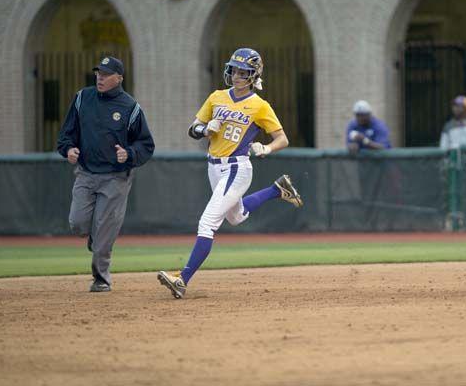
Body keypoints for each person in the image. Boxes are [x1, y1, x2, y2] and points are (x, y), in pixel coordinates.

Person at [157, 48, 303, 299]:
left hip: (237, 167)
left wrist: (266, 147)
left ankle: (182, 279)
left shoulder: (259, 105)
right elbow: (192, 129)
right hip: (213, 166)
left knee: (207, 222)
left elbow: (283, 138)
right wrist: (204, 130)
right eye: (234, 69)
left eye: (243, 71)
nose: (236, 74)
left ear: (253, 74)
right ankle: (277, 189)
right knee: (236, 217)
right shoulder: (216, 97)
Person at [57, 56, 154, 292]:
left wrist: (129, 154)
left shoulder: (130, 107)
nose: (100, 77)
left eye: (106, 74)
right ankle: (93, 236)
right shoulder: (82, 98)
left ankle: (101, 278)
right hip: (86, 172)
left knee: (104, 236)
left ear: (119, 78)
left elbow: (146, 145)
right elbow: (65, 135)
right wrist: (68, 149)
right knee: (78, 224)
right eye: (98, 72)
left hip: (115, 178)